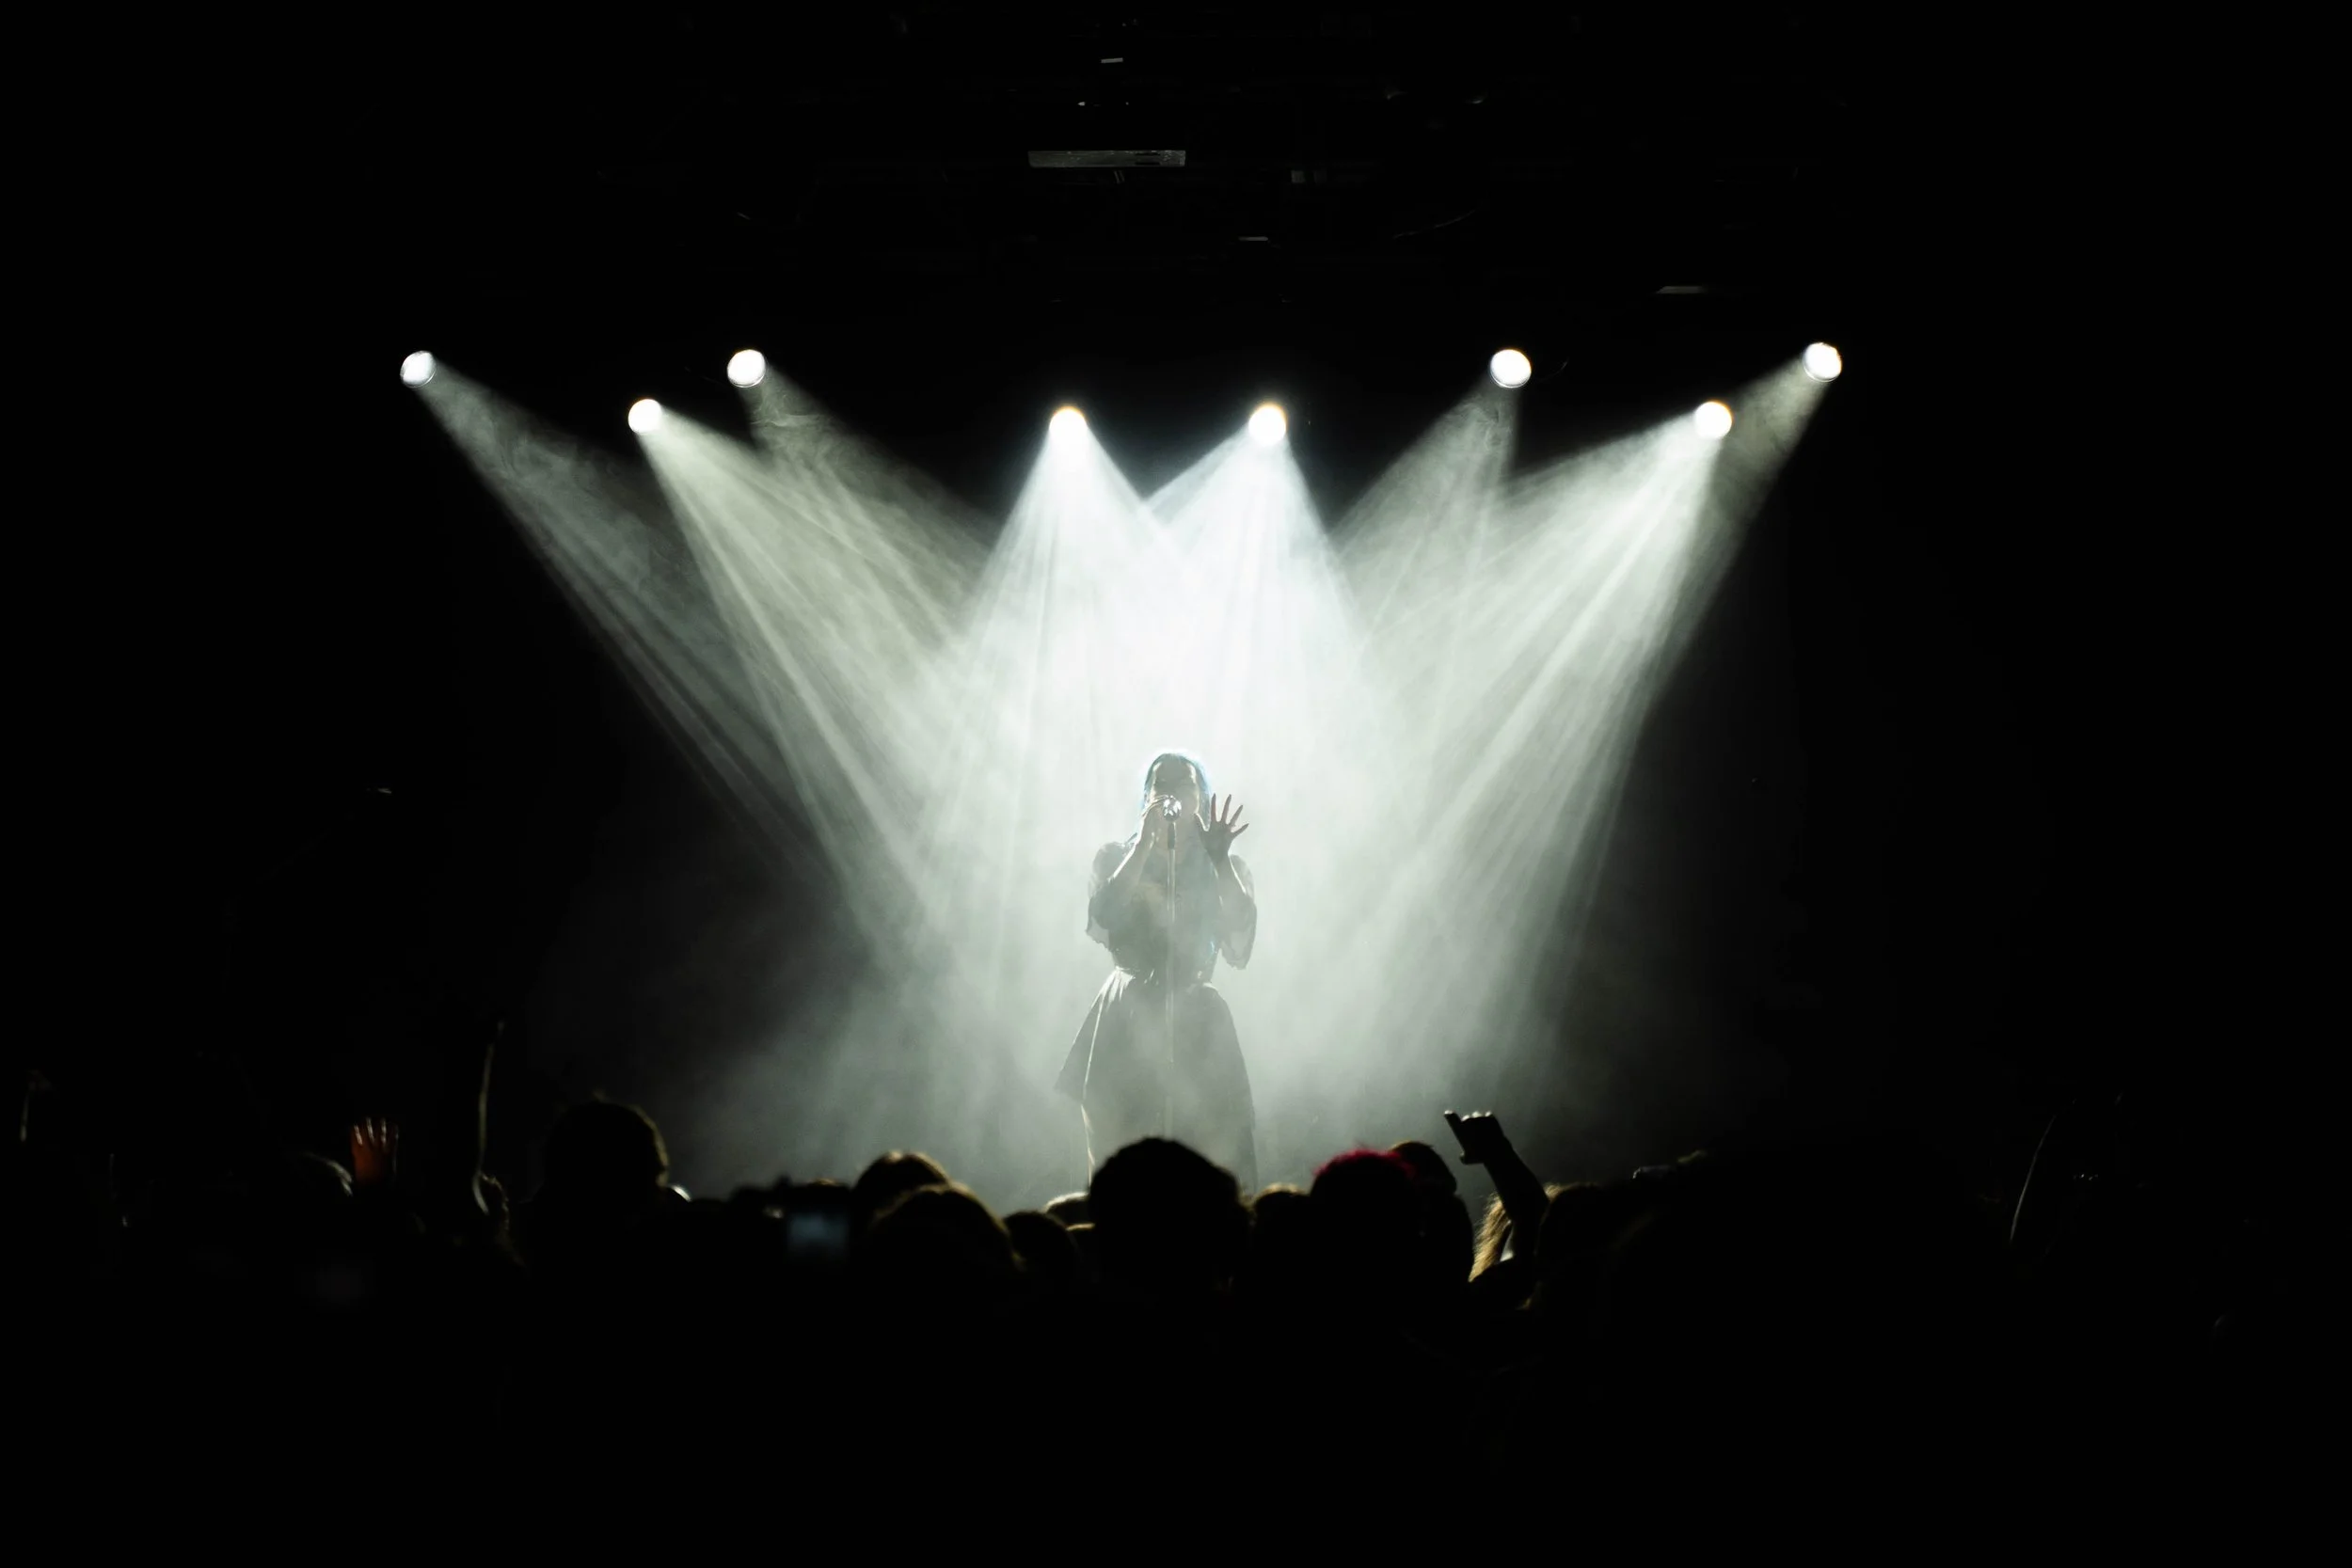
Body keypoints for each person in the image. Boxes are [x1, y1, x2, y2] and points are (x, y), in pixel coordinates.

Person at [1054, 752, 1259, 1188]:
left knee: (1211, 1141)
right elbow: (1104, 914)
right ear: (1145, 798)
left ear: (1200, 798)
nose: (1171, 794)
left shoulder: (1225, 865)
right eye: (1158, 784)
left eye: (1183, 785)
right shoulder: (1114, 857)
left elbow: (1240, 936)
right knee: (1121, 1147)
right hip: (1126, 1006)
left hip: (1195, 1004)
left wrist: (1220, 859)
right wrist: (1147, 842)